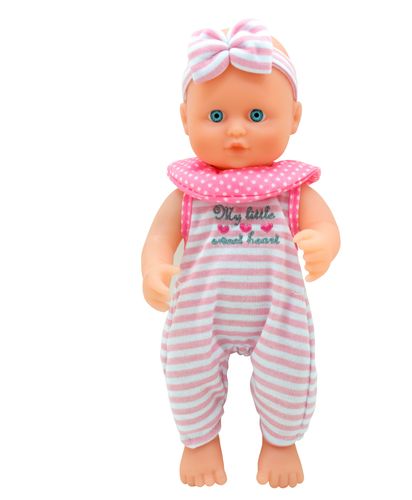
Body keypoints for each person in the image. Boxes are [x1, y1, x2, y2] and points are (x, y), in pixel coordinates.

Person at [141, 19, 340, 488]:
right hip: (199, 311)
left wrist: (324, 244)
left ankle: (281, 441)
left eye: (256, 115)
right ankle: (199, 441)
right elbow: (159, 237)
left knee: (289, 372)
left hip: (277, 311)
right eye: (215, 116)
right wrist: (154, 269)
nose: (235, 132)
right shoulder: (190, 193)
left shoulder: (291, 191)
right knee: (187, 368)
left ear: (294, 117)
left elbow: (326, 226)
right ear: (185, 118)